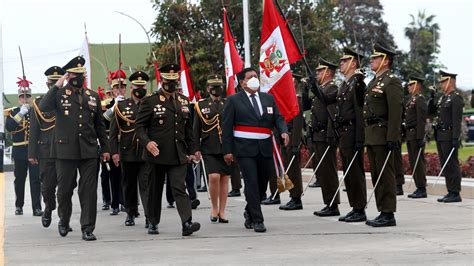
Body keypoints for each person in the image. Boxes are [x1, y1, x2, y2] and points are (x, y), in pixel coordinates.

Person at [39, 56, 110, 241]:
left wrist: (106, 148)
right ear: (69, 76)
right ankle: (64, 218)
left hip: (88, 150)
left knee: (88, 191)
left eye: (81, 74)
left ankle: (87, 228)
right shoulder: (60, 94)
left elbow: (100, 125)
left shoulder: (93, 96)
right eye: (74, 75)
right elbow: (44, 107)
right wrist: (58, 84)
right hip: (65, 150)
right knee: (64, 190)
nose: (79, 78)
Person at [135, 63, 200, 236]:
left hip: (178, 153)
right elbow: (139, 127)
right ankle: (153, 222)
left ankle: (187, 223)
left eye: (174, 80)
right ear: (162, 80)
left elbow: (188, 130)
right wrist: (147, 143)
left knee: (179, 187)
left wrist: (194, 149)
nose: (171, 84)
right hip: (156, 154)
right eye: (168, 80)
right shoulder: (150, 101)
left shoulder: (183, 101)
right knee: (155, 190)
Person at [222, 67, 289, 233]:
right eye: (250, 77)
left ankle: (250, 211)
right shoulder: (234, 100)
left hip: (265, 148)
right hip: (244, 149)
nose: (254, 79)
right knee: (251, 182)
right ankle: (258, 220)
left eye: (255, 76)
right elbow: (227, 127)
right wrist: (227, 150)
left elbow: (278, 118)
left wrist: (283, 131)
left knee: (261, 185)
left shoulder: (268, 98)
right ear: (242, 82)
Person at [363, 43, 403, 227]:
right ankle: (382, 210)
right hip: (372, 134)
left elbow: (395, 112)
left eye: (376, 58)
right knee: (376, 174)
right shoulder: (373, 82)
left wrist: (393, 137)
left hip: (383, 133)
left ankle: (388, 213)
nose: (372, 60)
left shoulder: (391, 81)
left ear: (385, 61)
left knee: (385, 175)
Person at [109, 71, 150, 227]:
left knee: (146, 185)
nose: (139, 88)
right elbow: (113, 133)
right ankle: (130, 212)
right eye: (137, 86)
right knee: (129, 185)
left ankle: (149, 215)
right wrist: (114, 153)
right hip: (127, 152)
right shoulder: (121, 106)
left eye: (142, 86)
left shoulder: (150, 103)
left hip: (146, 152)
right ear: (131, 87)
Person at [303, 58, 340, 217]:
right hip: (317, 134)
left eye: (320, 71)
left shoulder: (332, 87)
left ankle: (333, 204)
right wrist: (308, 88)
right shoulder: (321, 88)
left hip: (326, 134)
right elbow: (306, 106)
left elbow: (331, 111)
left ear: (328, 72)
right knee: (322, 171)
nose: (317, 73)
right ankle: (328, 203)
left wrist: (331, 134)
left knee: (329, 171)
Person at [28, 66, 65, 227]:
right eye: (53, 82)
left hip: (65, 150)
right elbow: (34, 130)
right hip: (46, 151)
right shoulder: (38, 104)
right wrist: (31, 153)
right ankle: (49, 208)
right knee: (48, 187)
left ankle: (64, 218)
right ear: (48, 84)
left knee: (66, 187)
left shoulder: (68, 100)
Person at [334, 47, 367, 222]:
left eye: (344, 61)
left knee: (355, 172)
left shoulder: (357, 83)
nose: (341, 63)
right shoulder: (345, 84)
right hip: (344, 133)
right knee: (348, 172)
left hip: (353, 132)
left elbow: (360, 112)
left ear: (353, 63)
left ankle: (360, 208)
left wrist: (360, 138)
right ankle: (354, 206)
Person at [194, 74, 231, 223]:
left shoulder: (228, 103)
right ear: (208, 88)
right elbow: (196, 129)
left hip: (226, 146)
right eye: (214, 87)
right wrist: (195, 148)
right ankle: (213, 207)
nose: (217, 90)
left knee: (224, 179)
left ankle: (222, 211)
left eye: (219, 87)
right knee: (214, 177)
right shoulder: (201, 105)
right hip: (209, 146)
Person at [5, 83, 42, 216]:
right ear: (19, 98)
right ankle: (19, 206)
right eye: (22, 97)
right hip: (19, 150)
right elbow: (9, 127)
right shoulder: (13, 112)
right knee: (19, 180)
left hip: (34, 151)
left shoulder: (35, 111)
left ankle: (37, 207)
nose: (24, 99)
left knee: (36, 180)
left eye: (27, 97)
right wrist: (20, 114)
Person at [429, 70, 464, 203]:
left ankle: (455, 192)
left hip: (449, 136)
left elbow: (456, 120)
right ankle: (450, 191)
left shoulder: (456, 97)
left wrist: (456, 137)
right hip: (440, 135)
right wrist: (432, 97)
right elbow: (430, 112)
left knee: (451, 164)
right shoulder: (443, 97)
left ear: (450, 81)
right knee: (445, 164)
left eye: (443, 82)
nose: (441, 84)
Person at [279, 74, 305, 211]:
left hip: (292, 138)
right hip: (285, 138)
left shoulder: (296, 99)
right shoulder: (286, 99)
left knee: (294, 170)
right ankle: (292, 196)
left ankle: (296, 198)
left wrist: (295, 144)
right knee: (288, 168)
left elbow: (297, 123)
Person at [103, 71, 126, 215]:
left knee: (127, 175)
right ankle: (114, 203)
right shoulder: (106, 104)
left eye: (122, 87)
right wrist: (114, 107)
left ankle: (126, 202)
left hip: (127, 143)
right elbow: (103, 120)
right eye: (117, 87)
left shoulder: (130, 103)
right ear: (112, 90)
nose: (120, 90)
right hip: (112, 143)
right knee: (113, 175)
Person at [404, 76, 428, 199]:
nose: (408, 87)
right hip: (410, 134)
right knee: (413, 162)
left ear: (417, 85)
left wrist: (420, 137)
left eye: (411, 85)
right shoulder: (410, 100)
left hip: (416, 135)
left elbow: (421, 120)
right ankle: (419, 186)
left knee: (418, 162)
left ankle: (422, 188)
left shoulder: (420, 99)